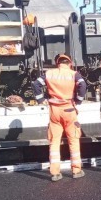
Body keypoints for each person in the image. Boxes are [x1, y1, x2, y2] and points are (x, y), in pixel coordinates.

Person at [32, 54, 87, 182]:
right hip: (69, 109)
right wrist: (78, 101)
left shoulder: (49, 73)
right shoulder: (74, 74)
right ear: (69, 63)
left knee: (54, 141)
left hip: (54, 111)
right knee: (73, 140)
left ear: (58, 63)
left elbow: (36, 84)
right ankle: (76, 170)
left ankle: (55, 173)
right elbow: (83, 86)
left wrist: (41, 99)